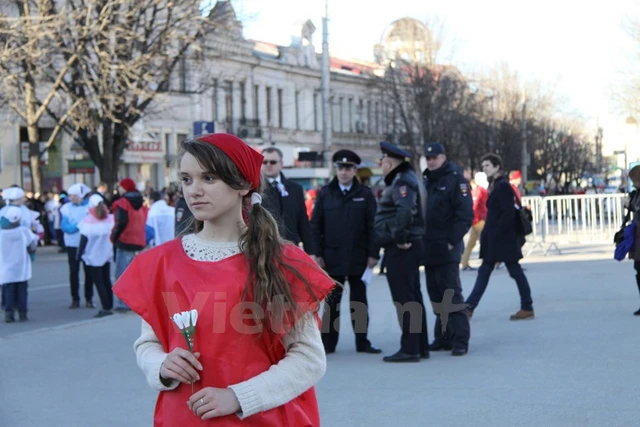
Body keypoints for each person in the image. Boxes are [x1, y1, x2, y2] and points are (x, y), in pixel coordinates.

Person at [112, 133, 335, 425]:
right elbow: (148, 343)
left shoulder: (282, 261)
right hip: (183, 417)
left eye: (209, 178)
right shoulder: (160, 263)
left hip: (261, 418)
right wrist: (161, 365)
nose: (194, 190)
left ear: (242, 184)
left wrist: (239, 396)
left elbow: (309, 359)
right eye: (187, 179)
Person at [310, 149, 381, 355]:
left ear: (354, 170)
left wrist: (373, 254)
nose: (344, 172)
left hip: (359, 257)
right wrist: (316, 253)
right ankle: (328, 344)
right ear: (336, 169)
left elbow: (373, 227)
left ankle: (362, 341)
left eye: (348, 168)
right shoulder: (325, 193)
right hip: (332, 258)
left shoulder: (365, 195)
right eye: (341, 168)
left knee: (359, 302)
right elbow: (315, 226)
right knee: (332, 303)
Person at [374, 142, 429, 362]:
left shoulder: (402, 182)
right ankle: (419, 345)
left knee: (405, 299)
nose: (381, 166)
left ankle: (410, 348)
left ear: (390, 163)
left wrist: (399, 237)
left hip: (402, 247)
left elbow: (405, 210)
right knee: (412, 296)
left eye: (382, 162)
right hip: (408, 245)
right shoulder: (409, 178)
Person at [465, 154, 534, 320]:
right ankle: (469, 307)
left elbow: (507, 213)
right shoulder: (496, 184)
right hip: (499, 239)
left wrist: (496, 235)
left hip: (501, 239)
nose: (485, 168)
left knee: (512, 272)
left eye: (487, 165)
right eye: (483, 166)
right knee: (493, 272)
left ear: (497, 167)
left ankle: (527, 306)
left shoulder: (502, 186)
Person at [421, 143, 473, 356]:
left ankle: (460, 339)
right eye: (428, 157)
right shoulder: (427, 181)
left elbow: (465, 215)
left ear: (443, 157)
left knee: (451, 294)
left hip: (447, 246)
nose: (431, 161)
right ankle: (442, 337)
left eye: (434, 157)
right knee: (435, 293)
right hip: (429, 246)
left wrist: (452, 241)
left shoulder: (455, 180)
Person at [261, 147, 313, 252]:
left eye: (273, 162)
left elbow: (303, 222)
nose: (268, 165)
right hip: (264, 250)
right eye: (265, 162)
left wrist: (311, 251)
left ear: (281, 164)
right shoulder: (254, 190)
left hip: (291, 249)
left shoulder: (295, 189)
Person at [110, 178, 148, 312]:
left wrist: (114, 237)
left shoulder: (122, 203)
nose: (119, 189)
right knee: (135, 276)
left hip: (125, 241)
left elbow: (121, 222)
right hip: (139, 241)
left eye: (121, 187)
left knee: (121, 275)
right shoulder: (141, 203)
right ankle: (136, 303)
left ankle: (123, 304)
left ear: (125, 188)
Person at [77, 195, 115, 318]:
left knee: (99, 282)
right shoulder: (110, 219)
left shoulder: (88, 222)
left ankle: (105, 307)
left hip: (93, 256)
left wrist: (78, 254)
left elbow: (83, 241)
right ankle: (109, 304)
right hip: (106, 254)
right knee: (107, 280)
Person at [0, 206, 39, 323]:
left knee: (8, 290)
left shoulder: (2, 233)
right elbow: (32, 245)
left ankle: (9, 313)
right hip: (22, 265)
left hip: (6, 265)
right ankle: (23, 313)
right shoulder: (23, 231)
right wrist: (32, 255)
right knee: (22, 290)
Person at [60, 183, 93, 309]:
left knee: (88, 272)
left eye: (73, 195)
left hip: (87, 243)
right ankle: (75, 298)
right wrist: (78, 225)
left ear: (80, 196)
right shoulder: (66, 208)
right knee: (74, 272)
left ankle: (89, 298)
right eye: (70, 195)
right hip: (72, 244)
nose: (70, 198)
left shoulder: (90, 207)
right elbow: (65, 227)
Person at [461, 172, 489, 270]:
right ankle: (487, 261)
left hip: (476, 218)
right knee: (486, 239)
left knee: (472, 242)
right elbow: (477, 205)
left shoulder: (476, 190)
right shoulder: (481, 190)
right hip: (480, 219)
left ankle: (465, 262)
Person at [622, 165, 640, 315]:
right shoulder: (637, 194)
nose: (633, 184)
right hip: (638, 236)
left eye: (635, 180)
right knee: (638, 270)